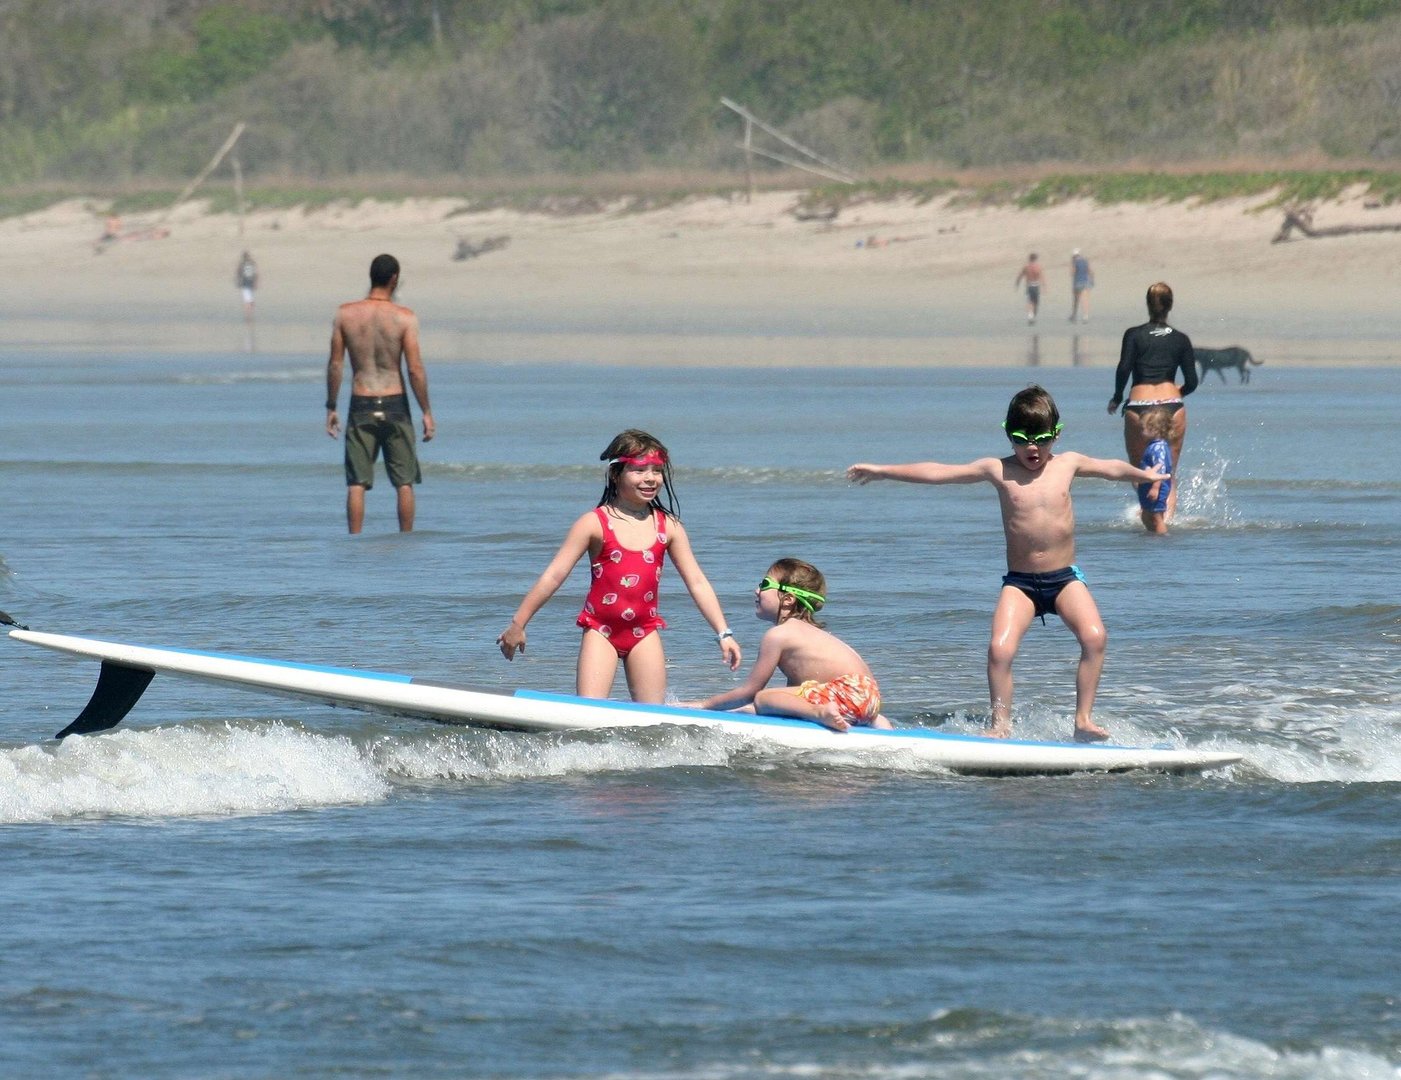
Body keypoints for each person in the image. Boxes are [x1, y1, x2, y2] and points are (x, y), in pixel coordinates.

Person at [846, 384, 1168, 742]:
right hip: (1021, 584)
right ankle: (1000, 724)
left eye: (1041, 439)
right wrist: (883, 470)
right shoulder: (998, 469)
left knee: (1095, 638)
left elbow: (1111, 468)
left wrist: (1147, 476)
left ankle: (1083, 721)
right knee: (999, 650)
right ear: (1008, 434)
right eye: (1021, 438)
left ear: (1056, 435)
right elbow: (938, 471)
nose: (1032, 447)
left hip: (1065, 580)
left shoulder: (1069, 463)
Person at [497, 430, 742, 703]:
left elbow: (696, 581)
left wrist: (724, 633)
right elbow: (554, 575)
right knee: (589, 713)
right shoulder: (594, 523)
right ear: (616, 474)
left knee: (653, 720)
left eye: (657, 470)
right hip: (600, 630)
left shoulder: (668, 527)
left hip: (644, 632)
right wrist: (518, 623)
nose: (650, 478)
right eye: (639, 470)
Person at [690, 558, 893, 732]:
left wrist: (703, 705)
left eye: (764, 584)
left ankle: (820, 713)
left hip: (846, 693)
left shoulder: (778, 635)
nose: (756, 590)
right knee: (777, 700)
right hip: (870, 699)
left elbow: (749, 692)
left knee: (763, 698)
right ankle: (880, 727)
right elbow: (795, 696)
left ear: (787, 599)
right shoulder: (812, 635)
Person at [325, 253, 435, 534]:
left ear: (371, 276)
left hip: (361, 403)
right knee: (404, 482)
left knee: (356, 484)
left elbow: (336, 363)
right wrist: (426, 412)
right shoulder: (404, 318)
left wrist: (331, 406)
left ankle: (354, 541)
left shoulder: (345, 314)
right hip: (395, 402)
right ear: (394, 279)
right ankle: (406, 540)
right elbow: (414, 369)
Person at [1108, 281, 1197, 524]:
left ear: (1148, 304)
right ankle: (1165, 522)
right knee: (1169, 472)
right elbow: (1192, 381)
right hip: (1172, 405)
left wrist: (1117, 397)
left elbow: (1124, 368)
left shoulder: (1134, 335)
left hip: (1139, 406)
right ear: (1170, 306)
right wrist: (1176, 393)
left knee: (1139, 470)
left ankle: (1149, 519)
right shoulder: (1181, 339)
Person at [1136, 407, 1174, 535]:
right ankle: (1152, 534)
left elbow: (1160, 468)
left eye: (1143, 429)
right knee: (1146, 515)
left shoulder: (1158, 447)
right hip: (1148, 485)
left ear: (1155, 430)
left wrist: (1155, 488)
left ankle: (1162, 536)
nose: (1140, 432)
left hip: (1157, 485)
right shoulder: (1153, 446)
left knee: (1156, 516)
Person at [1014, 253, 1045, 324]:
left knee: (1030, 301)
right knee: (1036, 303)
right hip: (1036, 286)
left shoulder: (1026, 267)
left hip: (1029, 286)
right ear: (1036, 259)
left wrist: (1017, 284)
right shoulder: (1038, 267)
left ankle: (1030, 316)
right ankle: (1032, 316)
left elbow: (1020, 276)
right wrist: (1044, 286)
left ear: (1029, 259)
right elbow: (1041, 277)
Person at [1069, 249, 1094, 323]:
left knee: (1076, 300)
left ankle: (1074, 315)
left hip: (1077, 282)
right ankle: (1085, 316)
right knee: (1085, 300)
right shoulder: (1085, 261)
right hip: (1086, 282)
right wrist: (1092, 281)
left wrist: (1072, 266)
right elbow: (1090, 271)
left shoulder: (1074, 262)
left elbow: (1072, 273)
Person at [235, 251, 258, 324]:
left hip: (245, 284)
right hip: (250, 284)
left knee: (247, 302)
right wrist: (255, 282)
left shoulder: (242, 265)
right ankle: (249, 316)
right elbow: (255, 274)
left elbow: (239, 274)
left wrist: (238, 282)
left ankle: (248, 317)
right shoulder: (252, 264)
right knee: (250, 301)